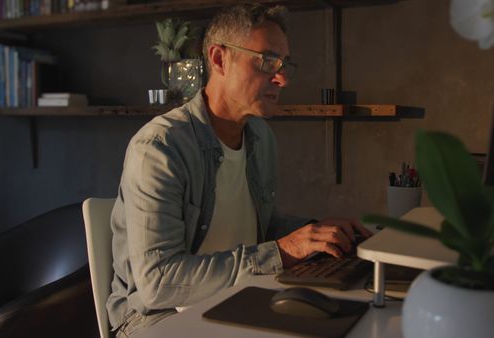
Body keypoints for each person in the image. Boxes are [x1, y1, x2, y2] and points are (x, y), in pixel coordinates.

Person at [107, 3, 372, 337]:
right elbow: (158, 284)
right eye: (266, 61)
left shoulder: (260, 137)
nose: (283, 78)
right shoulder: (160, 148)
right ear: (219, 59)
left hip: (234, 298)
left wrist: (314, 232)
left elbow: (256, 226)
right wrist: (282, 251)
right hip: (154, 318)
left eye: (285, 63)